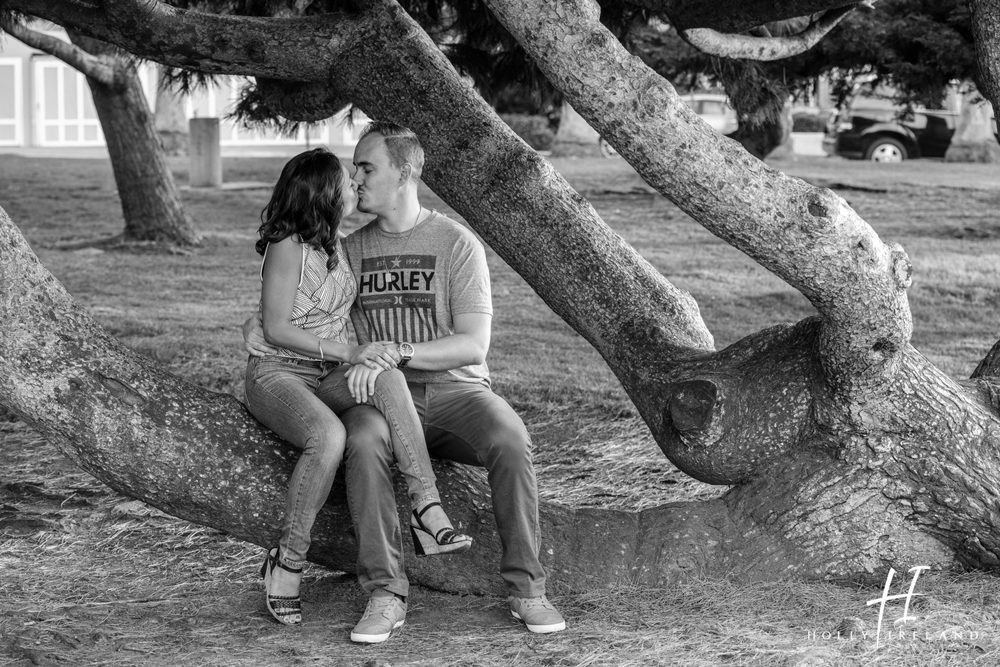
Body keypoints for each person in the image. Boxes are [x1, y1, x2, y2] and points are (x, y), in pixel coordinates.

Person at [247, 122, 565, 642]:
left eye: (367, 168)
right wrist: (255, 325)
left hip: (455, 390)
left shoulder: (456, 242)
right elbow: (301, 303)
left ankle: (527, 589)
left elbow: (473, 345)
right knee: (365, 441)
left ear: (405, 173)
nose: (357, 178)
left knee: (511, 439)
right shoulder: (348, 248)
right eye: (354, 169)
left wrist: (401, 351)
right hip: (376, 394)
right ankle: (385, 593)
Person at [244, 147, 471, 628]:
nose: (357, 186)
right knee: (329, 437)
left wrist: (363, 356)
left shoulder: (336, 245)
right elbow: (279, 328)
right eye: (348, 180)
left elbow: (312, 312)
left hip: (324, 374)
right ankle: (287, 561)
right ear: (325, 193)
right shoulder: (287, 244)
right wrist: (348, 352)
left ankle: (426, 507)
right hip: (278, 374)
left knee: (388, 371)